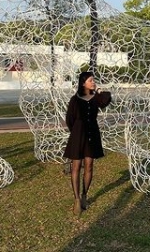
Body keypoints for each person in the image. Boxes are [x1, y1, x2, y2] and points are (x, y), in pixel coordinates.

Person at [63, 71, 112, 215]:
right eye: (91, 80)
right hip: (78, 135)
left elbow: (106, 99)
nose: (93, 82)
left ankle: (85, 194)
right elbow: (69, 119)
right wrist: (76, 132)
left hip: (92, 134)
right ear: (83, 83)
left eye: (94, 80)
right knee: (76, 166)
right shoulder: (75, 99)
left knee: (89, 165)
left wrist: (98, 90)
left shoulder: (96, 98)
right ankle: (77, 199)